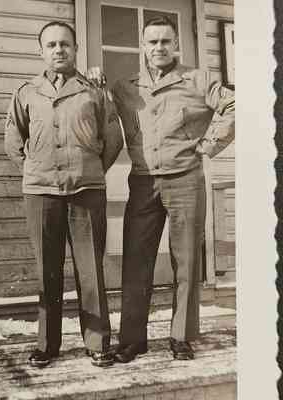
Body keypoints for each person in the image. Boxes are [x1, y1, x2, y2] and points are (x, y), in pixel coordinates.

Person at [89, 16, 235, 363]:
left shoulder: (198, 80)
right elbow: (99, 106)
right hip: (142, 182)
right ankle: (132, 340)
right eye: (152, 42)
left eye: (165, 41)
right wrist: (94, 80)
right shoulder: (125, 88)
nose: (159, 48)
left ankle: (181, 337)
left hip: (185, 179)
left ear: (176, 45)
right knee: (136, 260)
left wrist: (209, 145)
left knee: (186, 260)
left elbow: (234, 105)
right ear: (143, 46)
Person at [4, 21, 123, 368]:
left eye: (65, 44)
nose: (59, 50)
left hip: (86, 191)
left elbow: (113, 139)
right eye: (52, 45)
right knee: (47, 271)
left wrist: (90, 169)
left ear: (75, 49)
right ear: (42, 51)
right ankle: (47, 345)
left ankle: (98, 343)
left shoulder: (94, 91)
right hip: (41, 193)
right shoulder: (27, 92)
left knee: (91, 270)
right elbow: (13, 139)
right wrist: (36, 170)